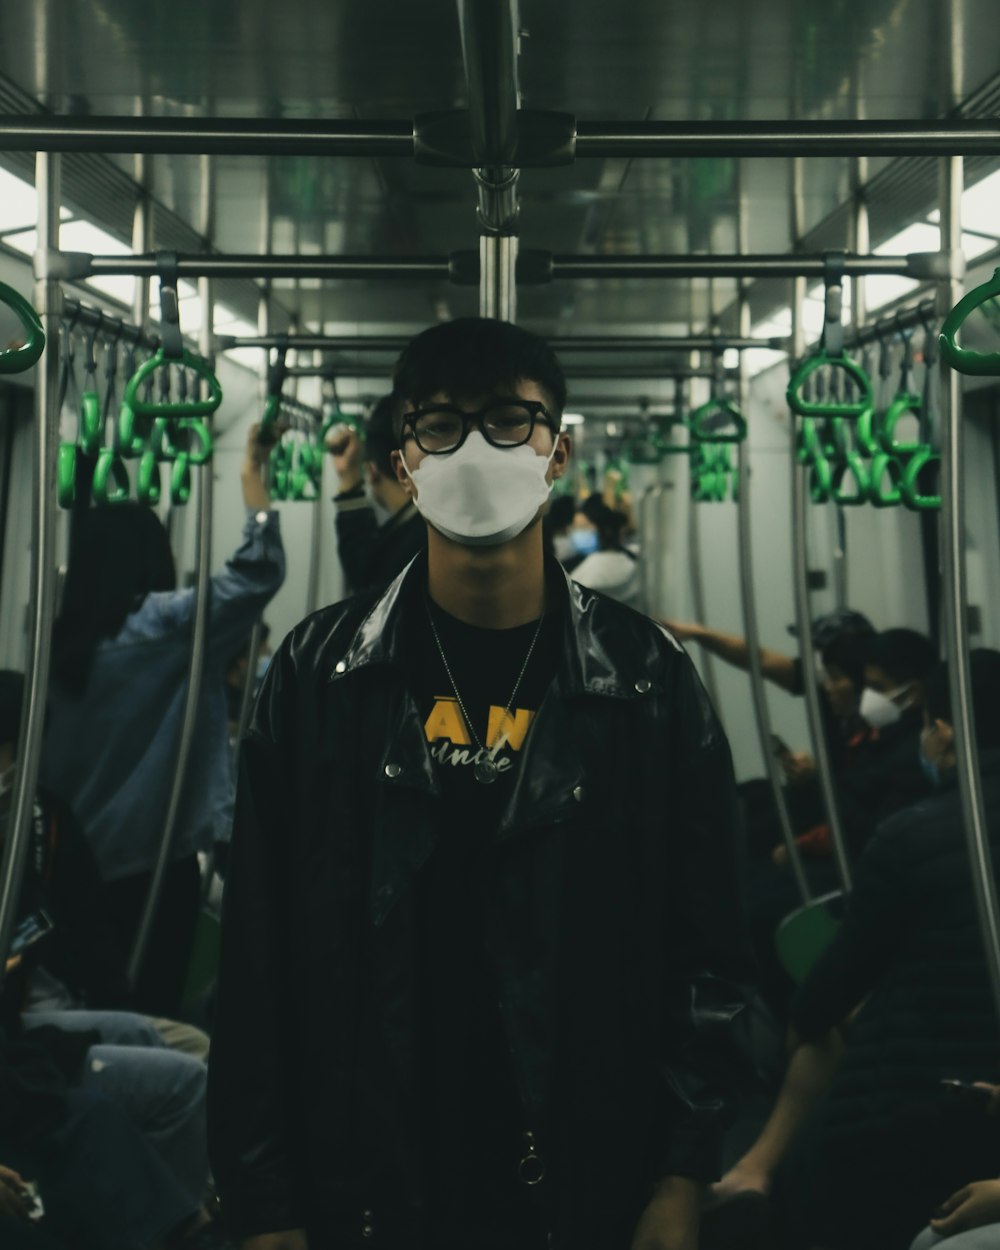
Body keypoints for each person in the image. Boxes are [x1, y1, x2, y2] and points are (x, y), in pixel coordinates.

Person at [208, 316, 753, 1250]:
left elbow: (708, 947)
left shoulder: (647, 680)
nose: (475, 449)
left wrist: (680, 1171)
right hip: (367, 1155)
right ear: (403, 458)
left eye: (510, 421)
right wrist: (265, 1200)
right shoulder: (314, 676)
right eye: (442, 425)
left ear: (557, 454)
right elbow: (258, 951)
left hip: (589, 1152)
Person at [715, 649, 1000, 1250]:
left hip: (923, 1103)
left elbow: (838, 980)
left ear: (943, 731)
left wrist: (802, 1024)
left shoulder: (917, 833)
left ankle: (757, 1169)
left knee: (830, 1038)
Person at [40, 424, 286, 1017]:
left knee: (90, 1008)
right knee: (150, 1010)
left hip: (66, 865)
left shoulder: (61, 644)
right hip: (150, 862)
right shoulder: (162, 629)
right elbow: (255, 576)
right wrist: (256, 493)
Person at [327, 394, 426, 593]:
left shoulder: (411, 546)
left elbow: (366, 574)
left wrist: (348, 482)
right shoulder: (429, 527)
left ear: (372, 471)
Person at [570, 501, 643, 610]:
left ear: (602, 529)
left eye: (583, 527)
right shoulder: (633, 558)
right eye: (575, 527)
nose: (577, 533)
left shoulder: (592, 567)